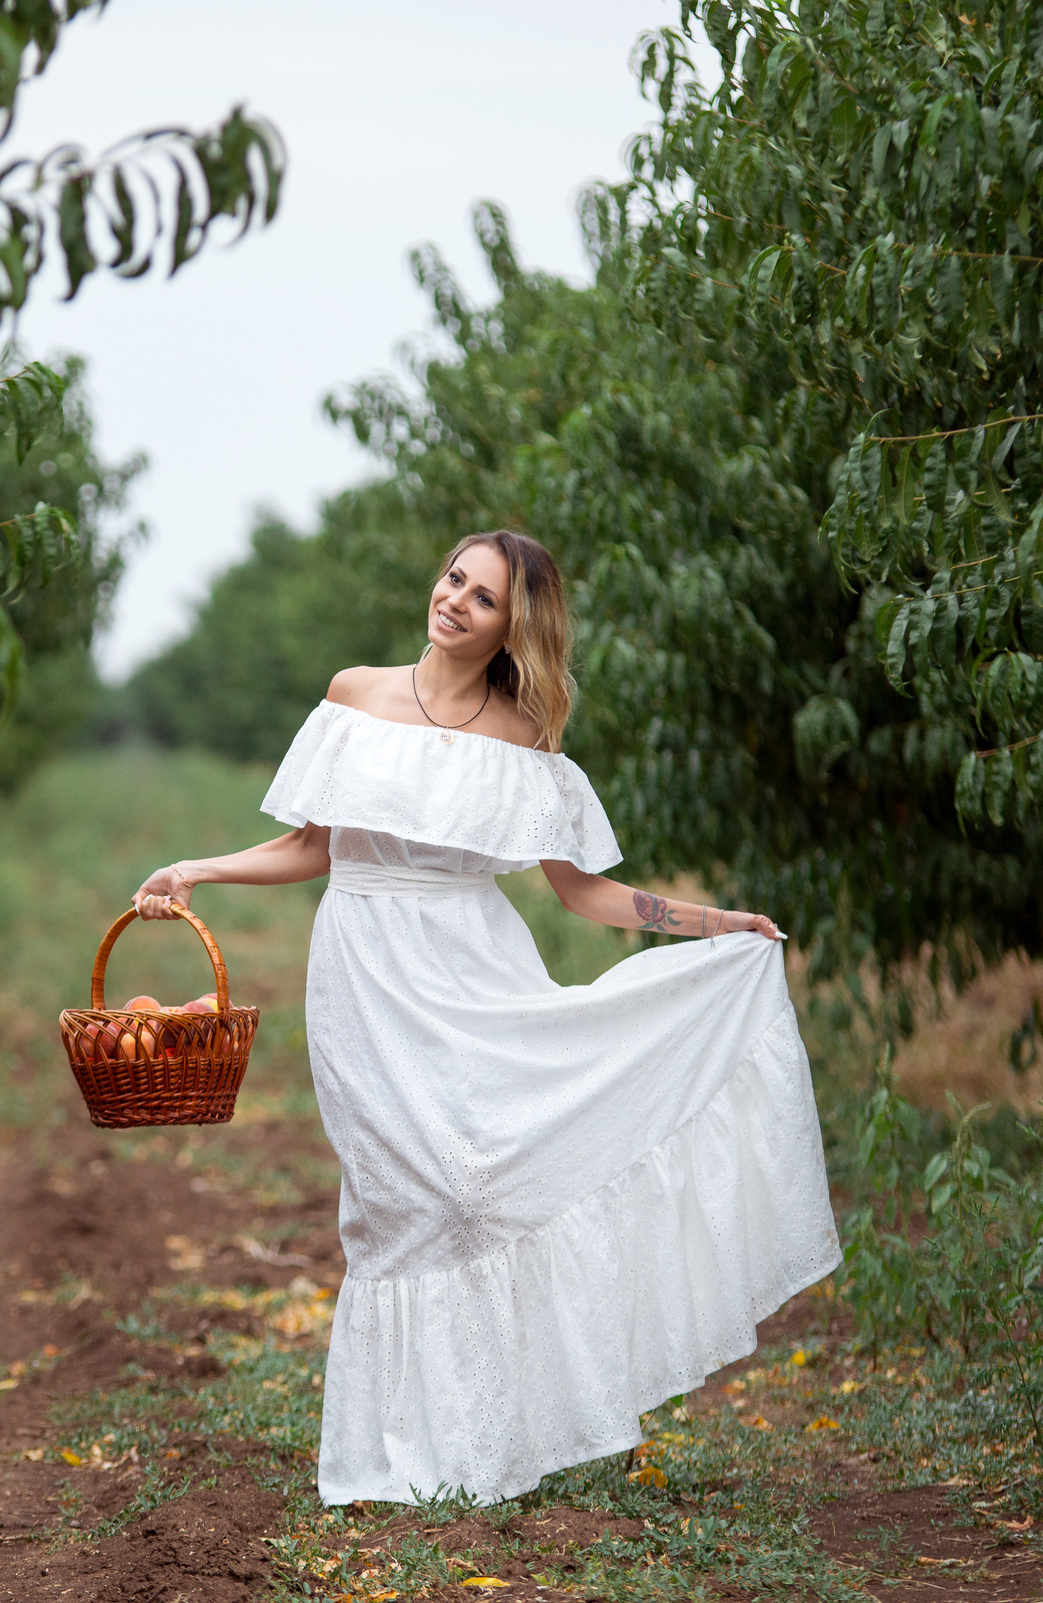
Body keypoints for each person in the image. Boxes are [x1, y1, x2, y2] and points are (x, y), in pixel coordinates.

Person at [132, 530, 840, 1506]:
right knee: (396, 1204)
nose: (455, 600)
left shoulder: (523, 738)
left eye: (485, 596)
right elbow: (309, 847)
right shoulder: (354, 695)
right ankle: (387, 1454)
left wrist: (711, 923)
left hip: (473, 969)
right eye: (453, 578)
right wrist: (199, 867)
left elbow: (583, 893)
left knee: (485, 1188)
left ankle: (481, 1440)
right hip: (365, 973)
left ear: (515, 627)